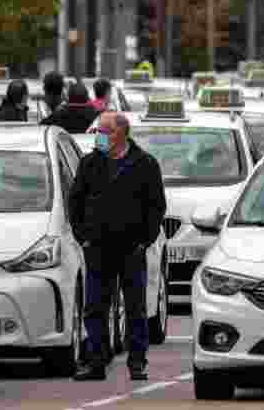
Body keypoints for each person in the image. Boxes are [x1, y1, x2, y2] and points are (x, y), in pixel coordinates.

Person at [68, 111, 166, 381]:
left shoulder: (144, 163)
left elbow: (156, 206)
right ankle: (96, 361)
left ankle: (137, 363)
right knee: (95, 306)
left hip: (131, 248)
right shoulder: (90, 163)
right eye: (99, 131)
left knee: (135, 307)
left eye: (105, 130)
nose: (100, 135)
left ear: (121, 133)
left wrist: (144, 241)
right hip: (97, 247)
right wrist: (83, 237)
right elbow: (75, 201)